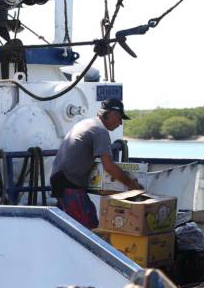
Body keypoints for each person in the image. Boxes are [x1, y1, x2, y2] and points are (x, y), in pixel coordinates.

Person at [50, 98, 142, 229]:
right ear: (113, 114)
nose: (120, 123)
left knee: (78, 223)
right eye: (120, 118)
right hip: (68, 182)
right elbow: (109, 166)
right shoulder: (100, 131)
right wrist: (132, 184)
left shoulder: (87, 123)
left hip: (60, 179)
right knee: (87, 228)